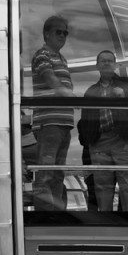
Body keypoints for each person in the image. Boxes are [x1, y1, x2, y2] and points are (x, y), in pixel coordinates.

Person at [77, 50, 128, 212]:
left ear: (115, 64)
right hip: (99, 144)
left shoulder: (127, 84)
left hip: (123, 142)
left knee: (127, 190)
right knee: (103, 192)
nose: (107, 63)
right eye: (103, 61)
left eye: (110, 60)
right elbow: (84, 122)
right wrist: (89, 143)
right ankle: (106, 230)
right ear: (97, 65)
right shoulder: (91, 91)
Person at [30, 16, 74, 211]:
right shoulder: (42, 55)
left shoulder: (62, 58)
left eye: (65, 32)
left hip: (63, 123)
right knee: (46, 174)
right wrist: (72, 95)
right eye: (59, 31)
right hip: (49, 123)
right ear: (47, 34)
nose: (63, 36)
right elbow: (52, 81)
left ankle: (56, 215)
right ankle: (43, 217)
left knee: (57, 174)